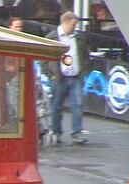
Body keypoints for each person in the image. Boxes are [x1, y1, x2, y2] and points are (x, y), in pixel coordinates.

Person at [41, 11, 89, 145]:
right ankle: (56, 132)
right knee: (55, 107)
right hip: (58, 79)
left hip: (75, 78)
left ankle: (77, 132)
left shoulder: (79, 38)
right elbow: (43, 59)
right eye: (73, 24)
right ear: (65, 22)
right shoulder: (52, 37)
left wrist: (82, 73)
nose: (75, 27)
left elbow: (85, 56)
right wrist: (50, 75)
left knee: (77, 105)